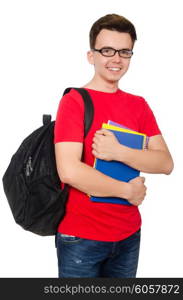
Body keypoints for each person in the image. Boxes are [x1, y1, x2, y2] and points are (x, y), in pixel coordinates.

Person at [54, 14, 174, 278]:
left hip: (129, 235)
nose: (116, 59)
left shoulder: (138, 105)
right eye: (107, 50)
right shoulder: (74, 102)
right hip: (81, 239)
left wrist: (120, 152)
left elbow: (165, 163)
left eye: (124, 51)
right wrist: (127, 192)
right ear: (91, 55)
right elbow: (69, 171)